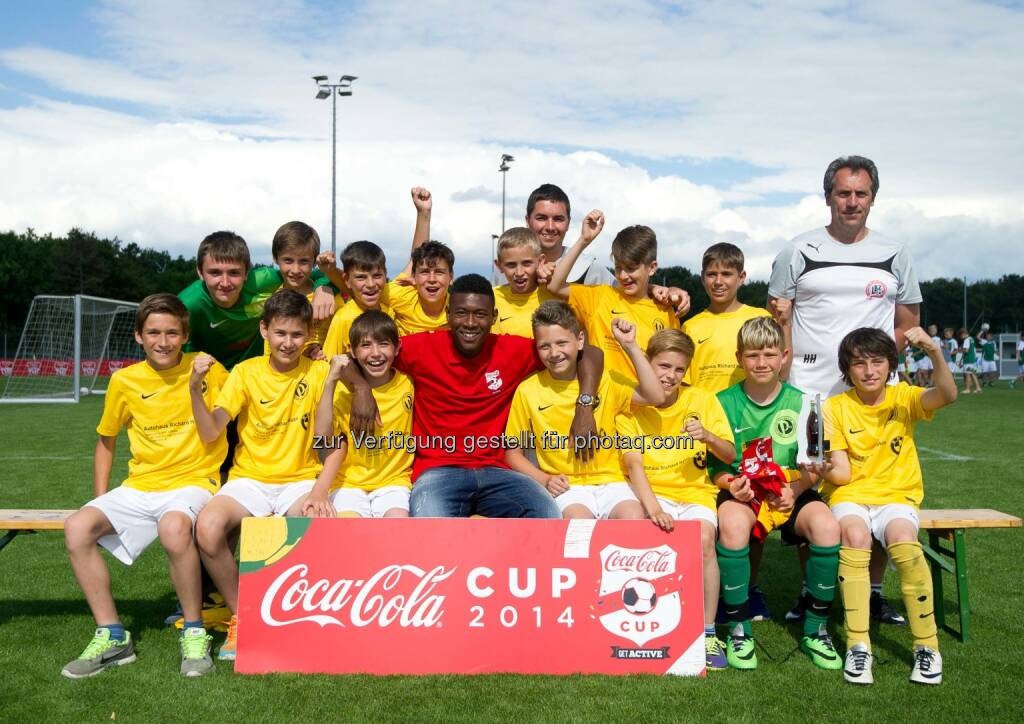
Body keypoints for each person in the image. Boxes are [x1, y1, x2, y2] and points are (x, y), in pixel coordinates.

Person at [768, 155, 918, 626]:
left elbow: (908, 324)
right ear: (828, 195)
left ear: (873, 197)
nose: (852, 202)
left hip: (875, 399)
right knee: (812, 487)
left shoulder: (896, 253)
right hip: (810, 395)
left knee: (872, 489)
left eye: (861, 194)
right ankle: (812, 591)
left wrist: (873, 369)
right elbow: (778, 318)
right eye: (843, 193)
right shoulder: (797, 250)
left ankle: (872, 593)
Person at [62, 294, 225, 678]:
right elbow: (106, 440)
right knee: (77, 527)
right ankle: (113, 636)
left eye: (172, 333)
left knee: (173, 528)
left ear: (185, 335)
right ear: (138, 336)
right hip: (141, 484)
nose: (163, 341)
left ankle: (195, 632)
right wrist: (100, 497)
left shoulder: (208, 369)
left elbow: (228, 414)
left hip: (194, 481)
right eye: (153, 332)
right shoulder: (124, 380)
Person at [377, 274, 603, 518]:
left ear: (494, 317)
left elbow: (590, 353)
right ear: (448, 314)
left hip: (499, 471)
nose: (471, 322)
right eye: (461, 313)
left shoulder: (512, 350)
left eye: (480, 314)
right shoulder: (420, 348)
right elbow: (357, 357)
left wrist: (584, 405)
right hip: (438, 470)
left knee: (547, 514)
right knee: (431, 523)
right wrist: (359, 389)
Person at [191, 290, 332, 660]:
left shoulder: (320, 370)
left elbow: (328, 435)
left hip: (300, 480)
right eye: (280, 333)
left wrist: (319, 489)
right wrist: (195, 391)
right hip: (249, 479)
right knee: (206, 528)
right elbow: (211, 432)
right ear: (264, 330)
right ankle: (243, 615)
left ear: (308, 335)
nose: (288, 343)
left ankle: (296, 617)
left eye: (297, 335)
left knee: (319, 522)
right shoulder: (245, 372)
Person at [818, 326, 957, 685]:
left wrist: (934, 351)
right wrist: (819, 468)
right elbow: (842, 473)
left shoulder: (905, 398)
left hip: (897, 495)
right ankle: (858, 646)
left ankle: (927, 647)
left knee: (903, 542)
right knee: (854, 535)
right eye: (859, 363)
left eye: (877, 362)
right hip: (851, 495)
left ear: (890, 365)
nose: (868, 371)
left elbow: (947, 394)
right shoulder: (834, 407)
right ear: (846, 369)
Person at [710, 317, 842, 672]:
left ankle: (816, 630)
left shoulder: (806, 402)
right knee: (733, 526)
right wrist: (728, 484)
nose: (762, 363)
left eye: (770, 354)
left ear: (784, 356)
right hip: (744, 493)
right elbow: (710, 465)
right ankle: (739, 629)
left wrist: (797, 488)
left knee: (828, 527)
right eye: (753, 355)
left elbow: (816, 463)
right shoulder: (721, 402)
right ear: (739, 358)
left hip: (792, 491)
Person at [616, 329, 736, 670]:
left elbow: (729, 454)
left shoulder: (702, 400)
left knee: (702, 540)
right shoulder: (630, 406)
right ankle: (648, 626)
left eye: (679, 370)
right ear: (647, 364)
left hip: (694, 492)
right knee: (639, 532)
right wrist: (654, 510)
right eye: (663, 366)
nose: (670, 376)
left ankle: (708, 631)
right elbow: (634, 465)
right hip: (649, 492)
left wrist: (709, 436)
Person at [504, 301, 664, 520]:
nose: (554, 352)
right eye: (545, 346)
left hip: (613, 481)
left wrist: (631, 346)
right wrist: (545, 479)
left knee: (632, 518)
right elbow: (513, 453)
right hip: (569, 486)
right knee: (578, 524)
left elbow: (655, 396)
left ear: (580, 340)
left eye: (562, 343)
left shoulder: (606, 380)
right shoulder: (528, 390)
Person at [304, 311, 413, 518]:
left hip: (393, 482)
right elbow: (324, 440)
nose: (375, 353)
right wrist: (330, 382)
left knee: (397, 524)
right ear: (351, 351)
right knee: (348, 531)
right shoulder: (342, 391)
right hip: (348, 484)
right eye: (365, 345)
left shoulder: (408, 383)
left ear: (397, 346)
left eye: (383, 344)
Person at [179, 230, 339, 370]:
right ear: (200, 272)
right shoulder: (188, 304)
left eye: (234, 273)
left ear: (247, 272)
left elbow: (307, 274)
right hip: (209, 375)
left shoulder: (261, 281)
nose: (225, 282)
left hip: (252, 375)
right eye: (215, 273)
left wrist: (322, 287)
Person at [548, 218, 681, 383]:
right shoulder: (599, 297)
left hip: (645, 406)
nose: (623, 276)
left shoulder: (666, 312)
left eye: (631, 268)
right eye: (618, 268)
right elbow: (555, 285)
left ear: (652, 267)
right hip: (603, 405)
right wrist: (584, 240)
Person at [683, 242, 771, 394]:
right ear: (703, 278)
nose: (718, 282)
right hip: (705, 413)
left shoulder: (761, 318)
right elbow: (683, 383)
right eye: (711, 274)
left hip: (749, 412)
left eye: (726, 274)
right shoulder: (690, 327)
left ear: (741, 277)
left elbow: (778, 370)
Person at [265, 221, 343, 358]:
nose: (295, 270)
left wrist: (323, 352)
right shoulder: (271, 300)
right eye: (288, 260)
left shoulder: (330, 298)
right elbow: (269, 355)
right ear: (275, 258)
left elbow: (343, 340)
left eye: (303, 261)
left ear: (314, 262)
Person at [525, 183, 614, 285]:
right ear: (527, 221)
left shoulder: (590, 271)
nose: (550, 227)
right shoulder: (508, 270)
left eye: (558, 219)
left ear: (568, 223)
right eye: (541, 218)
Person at [322, 240, 393, 357]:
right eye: (361, 277)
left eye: (377, 276)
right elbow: (329, 363)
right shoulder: (343, 319)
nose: (370, 284)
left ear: (385, 275)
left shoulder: (391, 311)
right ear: (347, 280)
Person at [492, 227, 556, 338]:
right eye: (511, 265)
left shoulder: (554, 297)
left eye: (526, 263)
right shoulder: (490, 299)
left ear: (540, 261)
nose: (519, 272)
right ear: (499, 266)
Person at [958, 327, 981, 393]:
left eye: (961, 335)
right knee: (973, 374)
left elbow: (966, 350)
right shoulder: (971, 339)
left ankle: (967, 389)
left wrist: (960, 349)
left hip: (968, 360)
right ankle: (978, 388)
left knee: (967, 374)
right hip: (972, 360)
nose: (960, 337)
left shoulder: (966, 340)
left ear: (964, 334)